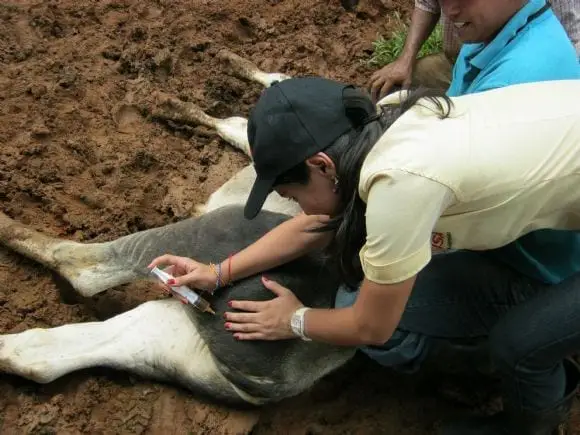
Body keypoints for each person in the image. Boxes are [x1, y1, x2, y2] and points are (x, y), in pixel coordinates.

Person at [150, 77, 580, 434]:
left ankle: (532, 424)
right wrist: (217, 272)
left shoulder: (403, 180)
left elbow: (372, 326)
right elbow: (321, 224)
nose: (298, 206)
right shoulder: (381, 119)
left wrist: (294, 321)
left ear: (322, 166)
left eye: (292, 194)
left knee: (520, 344)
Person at [368, 0, 580, 101]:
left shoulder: (508, 88)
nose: (449, 12)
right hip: (474, 56)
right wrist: (405, 60)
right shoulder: (489, 32)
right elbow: (427, 4)